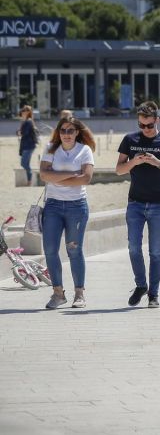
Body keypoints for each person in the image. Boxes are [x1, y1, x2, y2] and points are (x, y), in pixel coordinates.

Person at [115, 101, 160, 309]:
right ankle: (141, 285)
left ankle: (154, 294)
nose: (145, 130)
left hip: (157, 204)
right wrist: (134, 162)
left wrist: (157, 163)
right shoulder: (129, 139)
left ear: (157, 121)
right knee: (134, 248)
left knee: (155, 251)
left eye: (149, 126)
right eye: (141, 125)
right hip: (135, 203)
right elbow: (118, 170)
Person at [38, 117, 96, 309]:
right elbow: (44, 175)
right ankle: (58, 293)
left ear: (77, 132)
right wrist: (72, 175)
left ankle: (79, 294)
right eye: (63, 130)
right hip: (53, 206)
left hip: (76, 206)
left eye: (70, 130)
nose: (66, 134)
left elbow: (86, 178)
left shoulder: (84, 150)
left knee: (74, 249)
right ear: (59, 132)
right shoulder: (50, 148)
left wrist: (57, 178)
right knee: (50, 250)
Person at [17, 105, 38, 184]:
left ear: (29, 112)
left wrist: (20, 132)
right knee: (26, 163)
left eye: (25, 110)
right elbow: (20, 132)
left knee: (23, 163)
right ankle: (29, 180)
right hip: (26, 145)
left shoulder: (28, 121)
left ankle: (30, 175)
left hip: (29, 145)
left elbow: (24, 133)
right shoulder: (25, 121)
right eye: (23, 110)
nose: (23, 112)